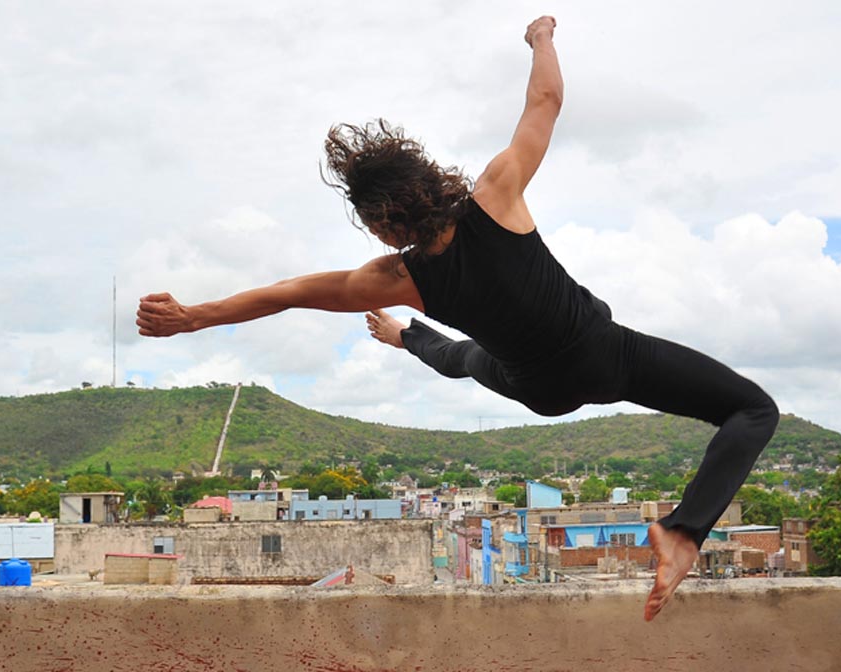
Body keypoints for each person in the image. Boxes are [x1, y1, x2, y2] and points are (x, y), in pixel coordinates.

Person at [137, 15, 779, 621]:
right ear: (427, 178)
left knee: (466, 360)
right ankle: (684, 531)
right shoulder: (498, 190)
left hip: (538, 390)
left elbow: (289, 292)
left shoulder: (394, 277)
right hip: (604, 358)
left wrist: (196, 317)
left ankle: (403, 334)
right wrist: (542, 37)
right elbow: (547, 102)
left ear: (387, 222)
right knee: (752, 410)